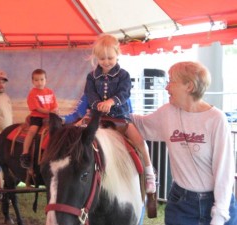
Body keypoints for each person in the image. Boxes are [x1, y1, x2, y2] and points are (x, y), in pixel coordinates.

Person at [130, 61, 237, 225]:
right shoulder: (167, 112)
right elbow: (139, 124)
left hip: (217, 201)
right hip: (182, 203)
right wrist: (106, 111)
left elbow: (224, 171)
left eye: (171, 81)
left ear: (189, 86)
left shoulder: (216, 119)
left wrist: (219, 216)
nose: (166, 87)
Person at [84, 33, 156, 194]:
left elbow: (125, 92)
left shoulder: (123, 75)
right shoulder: (91, 77)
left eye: (110, 58)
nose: (106, 62)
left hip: (119, 117)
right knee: (80, 138)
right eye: (102, 59)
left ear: (118, 54)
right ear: (96, 58)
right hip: (98, 116)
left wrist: (111, 102)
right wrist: (98, 104)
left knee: (139, 141)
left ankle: (149, 173)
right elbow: (90, 94)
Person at [20, 69, 58, 169]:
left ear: (46, 80)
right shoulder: (33, 93)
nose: (39, 82)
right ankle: (25, 153)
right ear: (32, 81)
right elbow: (37, 108)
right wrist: (50, 112)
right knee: (32, 131)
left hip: (50, 117)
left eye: (41, 79)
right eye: (36, 80)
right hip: (37, 116)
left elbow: (55, 105)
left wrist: (54, 111)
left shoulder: (50, 92)